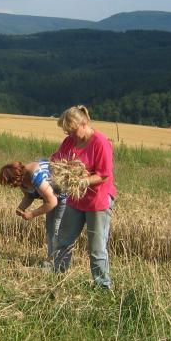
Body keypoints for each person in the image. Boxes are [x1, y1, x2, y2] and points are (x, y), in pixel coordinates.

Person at [51, 105, 116, 289]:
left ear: (84, 124)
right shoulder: (69, 142)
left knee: (96, 248)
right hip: (76, 199)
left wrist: (83, 181)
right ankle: (57, 278)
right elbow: (57, 159)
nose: (70, 135)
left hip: (97, 201)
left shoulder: (100, 143)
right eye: (67, 132)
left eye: (72, 131)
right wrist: (57, 169)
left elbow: (103, 175)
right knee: (64, 240)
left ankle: (103, 287)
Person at [0, 160, 66, 264]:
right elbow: (29, 196)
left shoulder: (36, 176)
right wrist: (21, 208)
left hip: (63, 196)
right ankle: (51, 259)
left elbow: (52, 202)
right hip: (52, 198)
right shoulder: (21, 180)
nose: (12, 185)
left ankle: (58, 262)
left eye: (11, 182)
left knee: (56, 229)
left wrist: (32, 214)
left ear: (17, 176)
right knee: (50, 228)